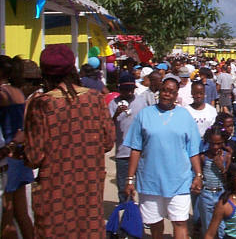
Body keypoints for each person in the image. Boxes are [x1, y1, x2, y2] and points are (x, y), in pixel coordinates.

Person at [24, 44, 115, 237]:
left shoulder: (41, 104)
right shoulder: (96, 99)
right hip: (89, 194)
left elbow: (34, 156)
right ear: (72, 69)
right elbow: (108, 143)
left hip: (54, 197)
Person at [124, 76, 203, 239]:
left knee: (180, 222)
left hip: (179, 181)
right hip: (150, 181)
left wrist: (198, 175)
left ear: (176, 95)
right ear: (160, 91)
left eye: (172, 92)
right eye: (165, 90)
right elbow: (135, 149)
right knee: (155, 224)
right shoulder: (144, 115)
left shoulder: (185, 116)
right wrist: (130, 179)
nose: (167, 94)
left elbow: (193, 150)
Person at [0, 55, 34, 239]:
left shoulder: (2, 94)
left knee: (7, 214)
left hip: (7, 156)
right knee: (22, 214)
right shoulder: (18, 92)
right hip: (20, 155)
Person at [108, 74, 147, 202]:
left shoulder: (141, 101)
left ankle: (140, 213)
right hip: (122, 152)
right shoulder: (113, 104)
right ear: (120, 89)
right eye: (126, 90)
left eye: (131, 89)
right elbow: (108, 126)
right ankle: (125, 212)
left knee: (142, 186)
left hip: (141, 152)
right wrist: (116, 114)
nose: (129, 92)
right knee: (123, 187)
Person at [199, 125, 231, 237]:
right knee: (208, 227)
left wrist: (221, 167)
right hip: (206, 193)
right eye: (212, 143)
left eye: (219, 143)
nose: (215, 147)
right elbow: (200, 174)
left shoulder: (227, 156)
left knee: (223, 227)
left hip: (221, 194)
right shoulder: (203, 157)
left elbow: (229, 179)